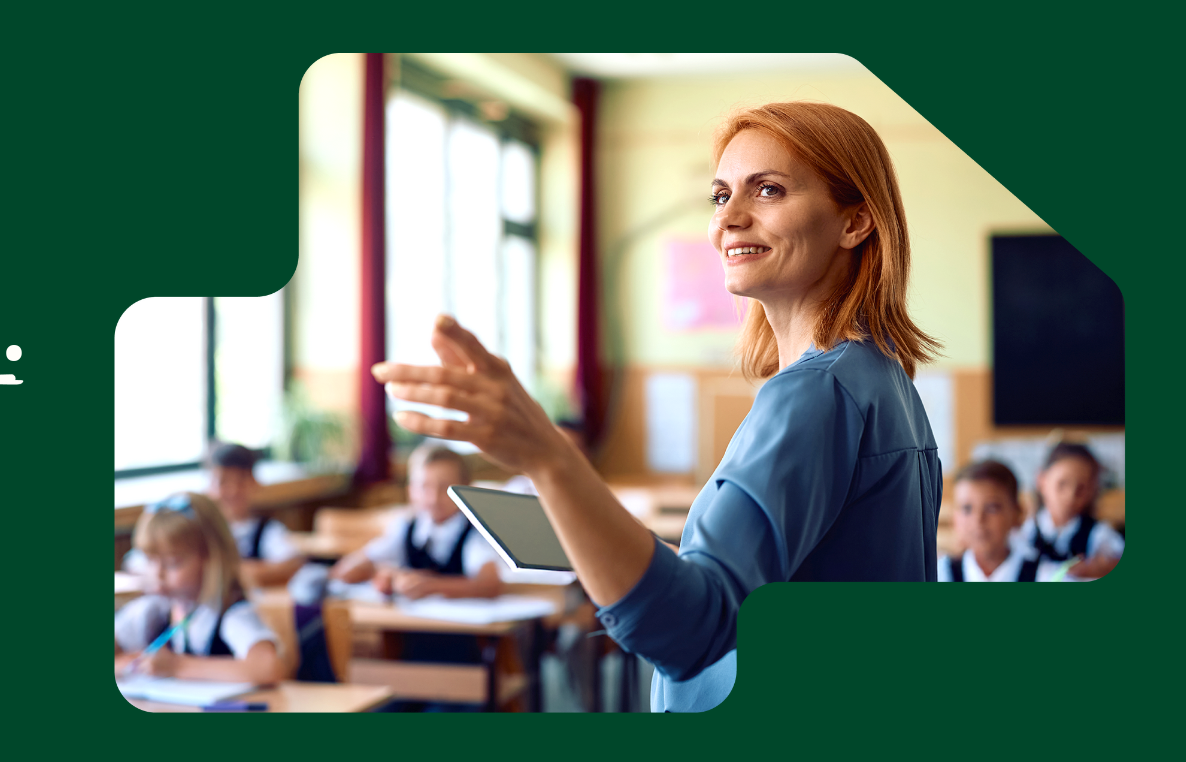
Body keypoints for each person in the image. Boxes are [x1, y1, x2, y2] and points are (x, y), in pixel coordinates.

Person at [374, 102, 944, 712]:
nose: (730, 218)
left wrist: (545, 456)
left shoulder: (816, 391)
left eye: (769, 190)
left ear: (855, 222)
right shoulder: (883, 380)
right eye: (721, 195)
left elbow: (695, 631)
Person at [114, 493, 288, 684]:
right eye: (150, 560)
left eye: (172, 563)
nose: (158, 574)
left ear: (210, 560)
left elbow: (268, 668)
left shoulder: (229, 613)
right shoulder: (154, 611)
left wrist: (177, 666)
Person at [330, 443, 503, 602]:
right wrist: (390, 576)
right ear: (410, 491)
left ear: (467, 489)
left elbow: (489, 585)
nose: (433, 498)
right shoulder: (406, 528)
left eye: (445, 487)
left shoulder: (476, 531)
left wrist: (430, 585)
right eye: (424, 487)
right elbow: (345, 570)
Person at [122, 443, 304, 589]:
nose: (232, 491)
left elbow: (292, 564)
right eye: (223, 482)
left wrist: (221, 570)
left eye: (241, 481)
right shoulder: (193, 527)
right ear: (209, 485)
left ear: (255, 483)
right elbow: (135, 561)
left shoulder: (268, 530)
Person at [1015, 442, 1122, 580]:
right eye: (1062, 484)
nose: (1070, 496)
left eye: (1081, 488)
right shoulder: (1023, 534)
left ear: (1092, 490)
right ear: (1041, 480)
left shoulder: (1100, 536)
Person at [941, 461, 1059, 581]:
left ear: (1017, 514)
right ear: (954, 517)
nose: (978, 520)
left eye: (992, 508)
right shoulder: (937, 574)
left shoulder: (1047, 576)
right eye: (967, 509)